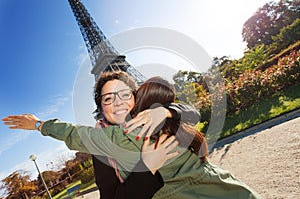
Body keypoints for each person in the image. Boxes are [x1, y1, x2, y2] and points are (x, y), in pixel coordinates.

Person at [3, 76, 262, 199]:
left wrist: (166, 110)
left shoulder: (160, 114)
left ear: (136, 97)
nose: (116, 103)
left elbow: (192, 112)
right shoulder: (106, 142)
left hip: (223, 189)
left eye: (124, 94)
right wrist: (146, 169)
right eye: (107, 98)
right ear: (101, 107)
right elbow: (73, 133)